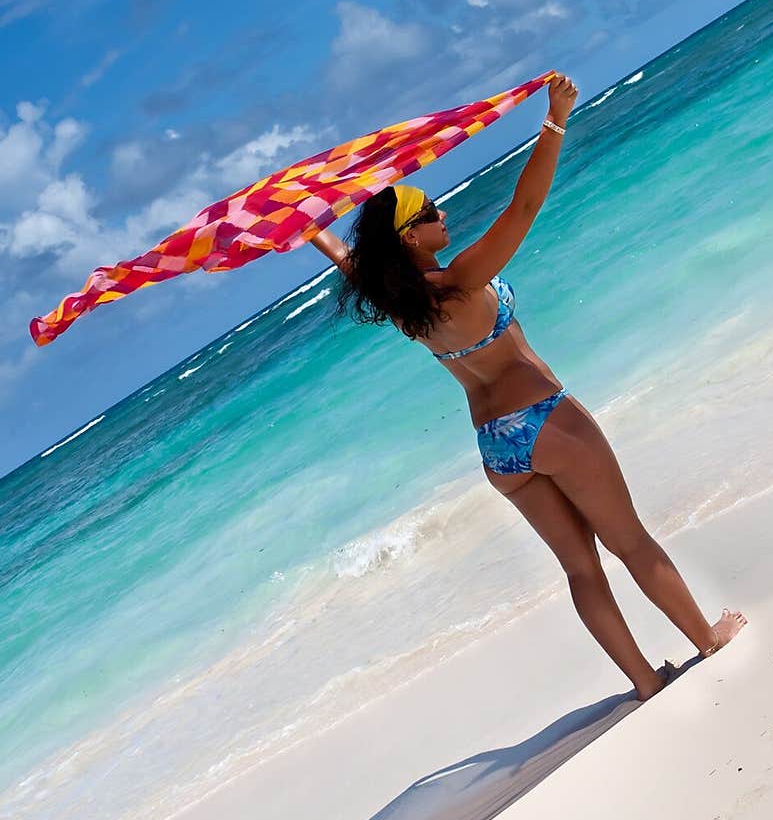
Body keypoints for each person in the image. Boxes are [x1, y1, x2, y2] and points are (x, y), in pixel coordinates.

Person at [310, 74, 746, 699]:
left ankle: (647, 682)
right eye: (433, 212)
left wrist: (310, 226)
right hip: (547, 422)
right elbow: (524, 208)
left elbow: (349, 259)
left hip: (497, 449)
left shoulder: (401, 300)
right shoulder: (459, 280)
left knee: (581, 570)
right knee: (630, 541)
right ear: (410, 237)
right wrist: (555, 118)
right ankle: (707, 638)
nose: (445, 215)